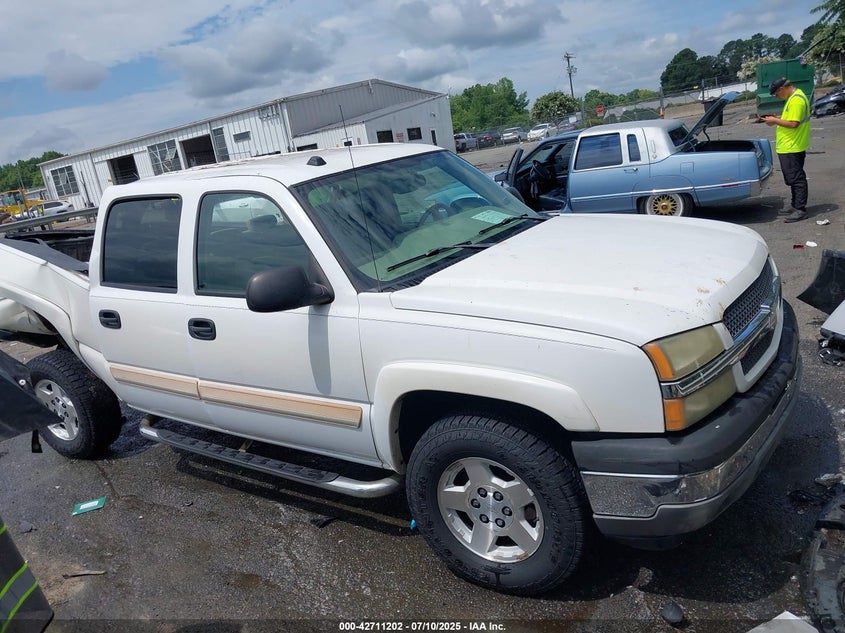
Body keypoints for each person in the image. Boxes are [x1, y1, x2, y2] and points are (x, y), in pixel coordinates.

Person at [761, 77, 811, 223]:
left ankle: (800, 209)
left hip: (792, 145)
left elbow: (794, 124)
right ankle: (795, 206)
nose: (777, 97)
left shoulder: (796, 100)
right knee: (793, 178)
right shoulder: (794, 97)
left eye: (776, 94)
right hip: (790, 145)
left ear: (782, 89)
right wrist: (778, 118)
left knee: (796, 178)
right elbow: (791, 118)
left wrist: (775, 121)